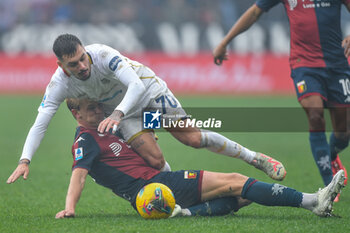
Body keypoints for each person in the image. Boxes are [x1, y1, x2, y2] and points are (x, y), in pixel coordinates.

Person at [7, 33, 286, 184]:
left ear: (85, 50)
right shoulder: (58, 85)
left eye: (82, 59)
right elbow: (41, 122)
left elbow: (136, 87)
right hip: (128, 114)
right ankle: (178, 193)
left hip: (149, 94)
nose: (82, 66)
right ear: (60, 66)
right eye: (73, 64)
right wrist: (25, 160)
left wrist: (116, 114)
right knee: (153, 160)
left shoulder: (103, 55)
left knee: (192, 138)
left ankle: (255, 158)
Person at [55, 98, 345, 219]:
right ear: (75, 113)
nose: (98, 111)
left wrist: (154, 126)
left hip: (156, 190)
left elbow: (142, 125)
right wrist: (69, 208)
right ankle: (313, 201)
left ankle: (187, 213)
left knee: (247, 196)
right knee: (236, 181)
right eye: (91, 109)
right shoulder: (86, 140)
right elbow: (79, 173)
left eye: (98, 106)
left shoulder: (109, 128)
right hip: (155, 186)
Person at [213, 0, 350, 200]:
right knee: (315, 114)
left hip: (337, 65)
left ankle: (331, 154)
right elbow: (254, 12)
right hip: (304, 64)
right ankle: (329, 183)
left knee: (344, 133)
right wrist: (225, 41)